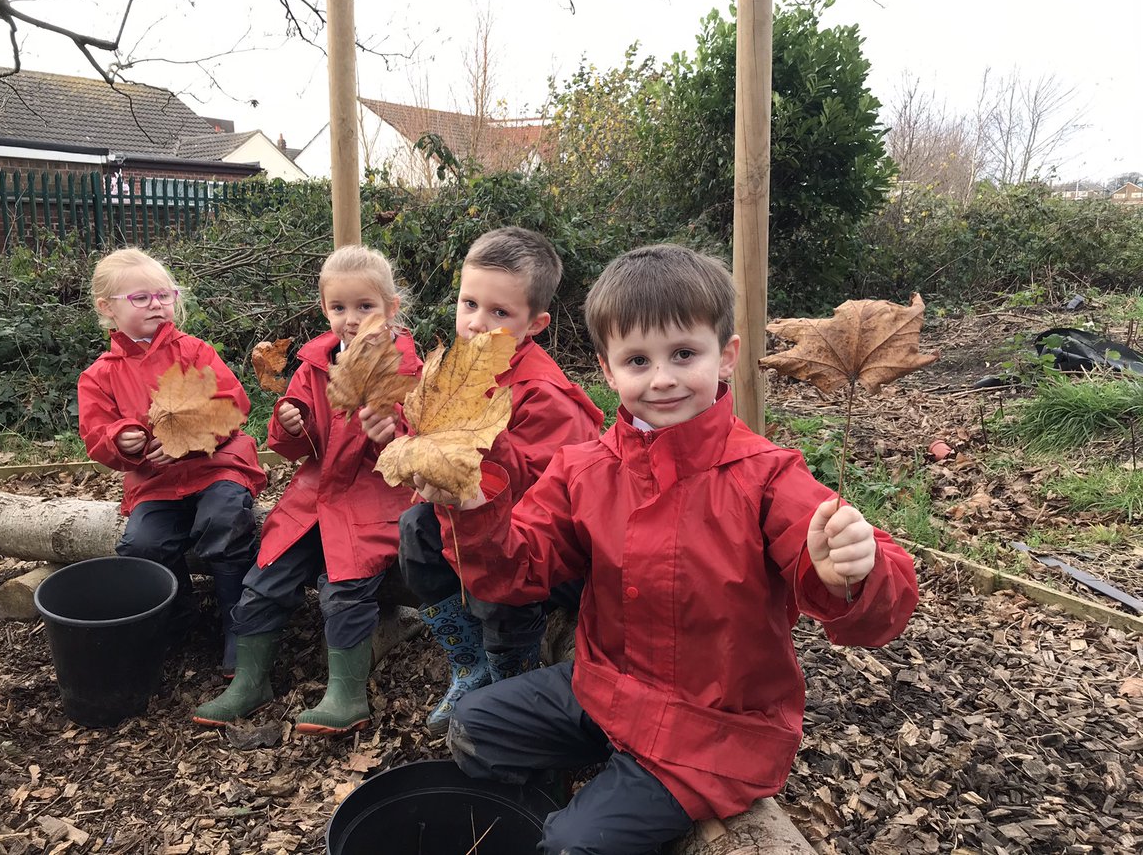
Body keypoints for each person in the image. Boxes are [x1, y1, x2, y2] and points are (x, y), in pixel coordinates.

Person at [417, 245, 921, 855]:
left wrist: (852, 573)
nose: (661, 378)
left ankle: (593, 818)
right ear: (607, 370)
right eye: (637, 360)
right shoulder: (585, 470)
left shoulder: (764, 476)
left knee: (573, 846)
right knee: (476, 726)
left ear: (726, 356)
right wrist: (474, 509)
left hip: (713, 731)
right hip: (605, 690)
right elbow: (516, 572)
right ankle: (571, 791)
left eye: (684, 353)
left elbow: (878, 607)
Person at [363, 227, 603, 736]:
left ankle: (508, 672)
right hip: (461, 516)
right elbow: (429, 434)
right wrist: (398, 431)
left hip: (525, 542)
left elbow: (550, 495)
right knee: (414, 533)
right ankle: (468, 662)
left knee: (499, 584)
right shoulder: (455, 369)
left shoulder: (545, 395)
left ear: (534, 324)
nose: (476, 323)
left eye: (499, 313)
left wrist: (484, 442)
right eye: (469, 303)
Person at [194, 245, 422, 735]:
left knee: (344, 589)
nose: (352, 319)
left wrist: (394, 433)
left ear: (391, 309)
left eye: (365, 307)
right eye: (339, 308)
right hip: (314, 496)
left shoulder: (403, 366)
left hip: (372, 498)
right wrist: (289, 422)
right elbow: (291, 445)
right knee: (265, 578)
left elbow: (418, 443)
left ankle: (346, 692)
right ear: (325, 310)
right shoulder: (315, 362)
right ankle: (250, 680)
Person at [79, 247, 266, 677]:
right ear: (107, 308)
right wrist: (121, 440)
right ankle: (179, 617)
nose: (157, 305)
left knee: (223, 519)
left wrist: (191, 438)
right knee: (142, 545)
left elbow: (233, 403)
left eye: (164, 295)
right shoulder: (99, 375)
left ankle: (240, 624)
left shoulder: (194, 351)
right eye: (141, 298)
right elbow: (96, 435)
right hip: (155, 483)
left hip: (216, 465)